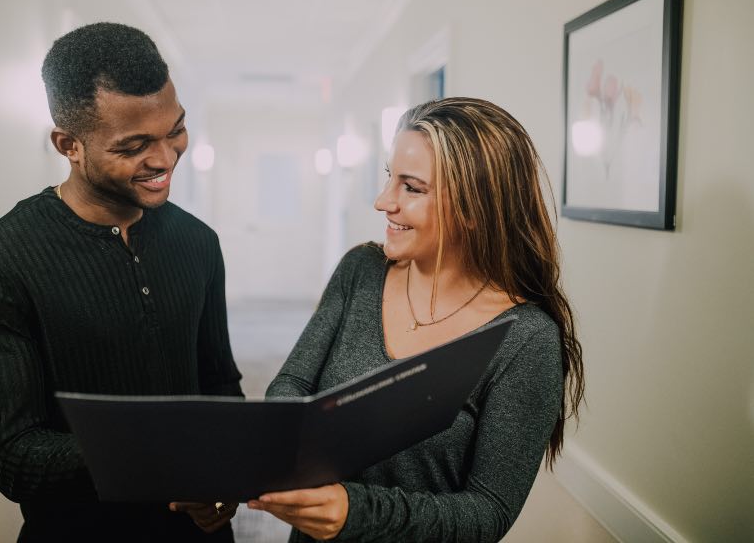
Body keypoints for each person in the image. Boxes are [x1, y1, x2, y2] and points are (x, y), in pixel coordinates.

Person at [0, 23, 242, 542]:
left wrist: (227, 478)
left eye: (174, 129)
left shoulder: (199, 242)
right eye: (133, 146)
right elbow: (14, 459)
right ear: (69, 144)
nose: (165, 158)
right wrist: (158, 447)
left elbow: (219, 385)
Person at [250, 97, 585, 542]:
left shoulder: (525, 340)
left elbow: (488, 512)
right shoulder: (361, 272)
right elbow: (291, 384)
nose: (382, 201)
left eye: (412, 187)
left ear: (473, 208)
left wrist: (355, 512)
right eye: (390, 177)